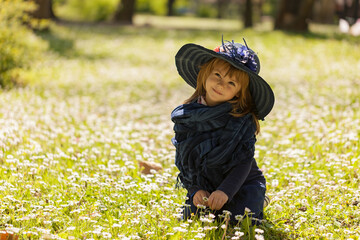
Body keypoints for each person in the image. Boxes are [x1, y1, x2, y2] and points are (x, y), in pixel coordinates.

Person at [171, 38, 275, 224]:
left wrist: (225, 191)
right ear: (204, 73)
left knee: (240, 220)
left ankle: (258, 200)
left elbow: (243, 163)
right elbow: (185, 160)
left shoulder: (241, 120)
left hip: (240, 183)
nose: (221, 84)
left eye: (231, 83)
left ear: (239, 92)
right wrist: (196, 189)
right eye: (217, 75)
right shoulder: (187, 115)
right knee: (191, 219)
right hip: (206, 185)